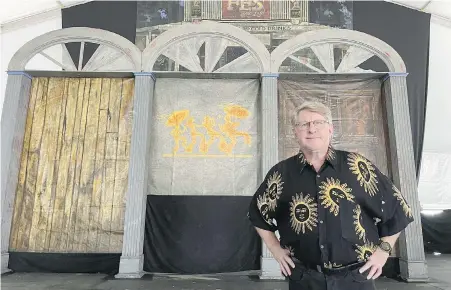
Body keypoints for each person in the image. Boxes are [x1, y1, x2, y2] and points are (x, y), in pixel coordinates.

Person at [248, 101, 414, 290]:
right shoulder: (281, 173)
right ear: (295, 132)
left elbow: (397, 209)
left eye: (318, 123)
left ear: (330, 129)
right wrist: (275, 250)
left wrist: (384, 251)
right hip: (304, 278)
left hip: (356, 277)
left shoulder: (358, 166)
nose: (312, 129)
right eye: (304, 124)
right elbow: (257, 213)